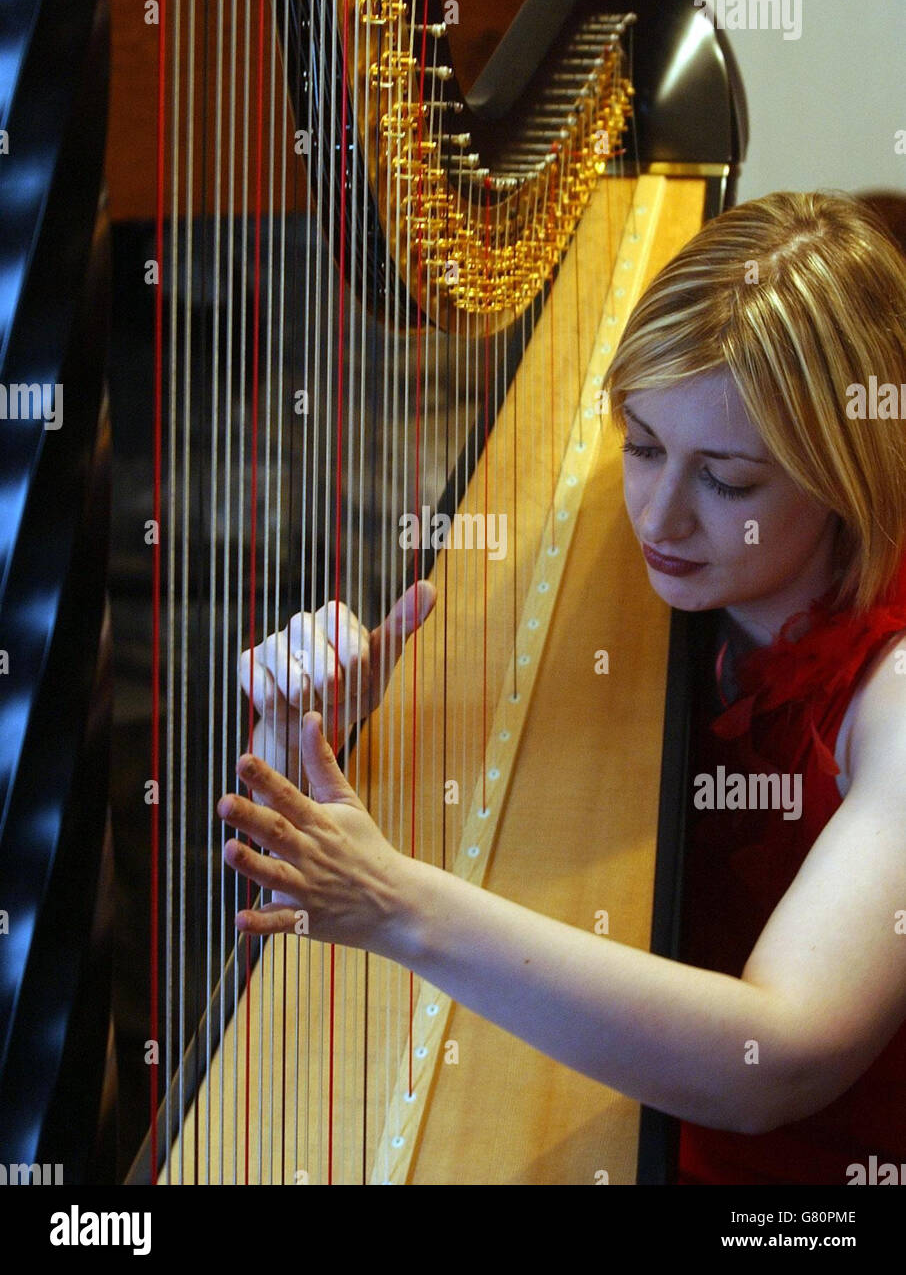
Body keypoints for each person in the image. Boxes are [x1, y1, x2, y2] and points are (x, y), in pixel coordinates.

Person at [218, 190, 906, 1184]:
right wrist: (311, 744)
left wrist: (404, 904)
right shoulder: (616, 581)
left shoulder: (889, 695)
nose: (658, 515)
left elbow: (777, 1056)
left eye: (728, 480)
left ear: (848, 476)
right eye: (642, 445)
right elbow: (298, 890)